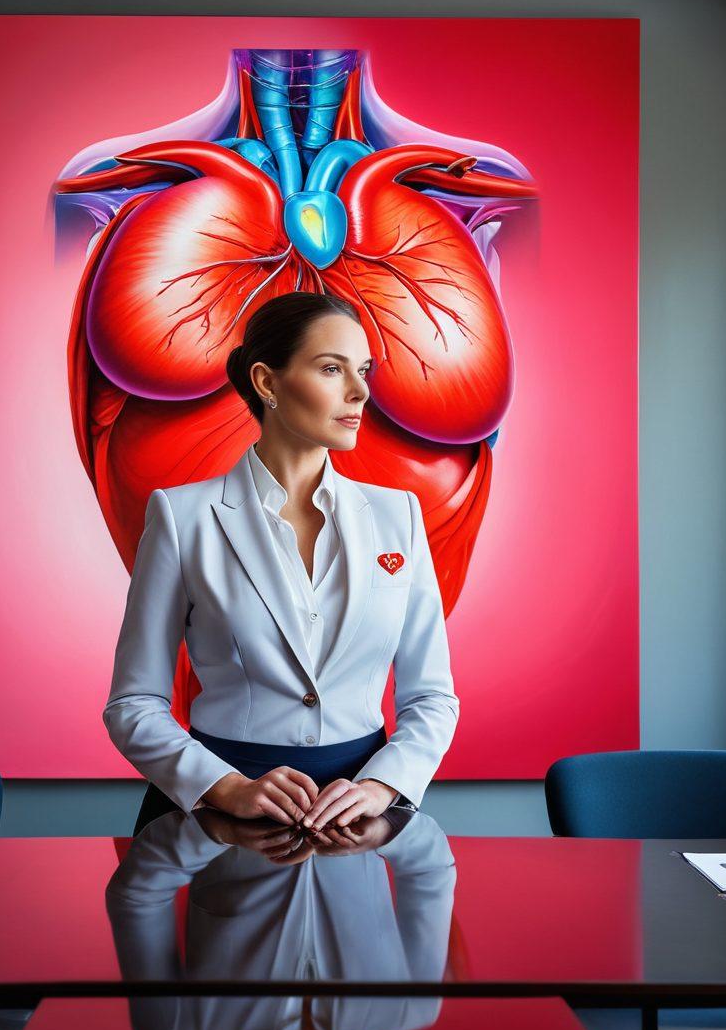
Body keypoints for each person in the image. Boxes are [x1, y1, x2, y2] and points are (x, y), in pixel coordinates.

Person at [103, 290, 459, 836]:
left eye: (362, 370)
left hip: (360, 816)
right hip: (218, 817)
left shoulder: (399, 517)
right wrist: (226, 787)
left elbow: (432, 696)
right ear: (267, 383)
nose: (360, 391)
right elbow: (133, 703)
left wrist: (383, 786)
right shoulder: (182, 517)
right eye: (331, 368)